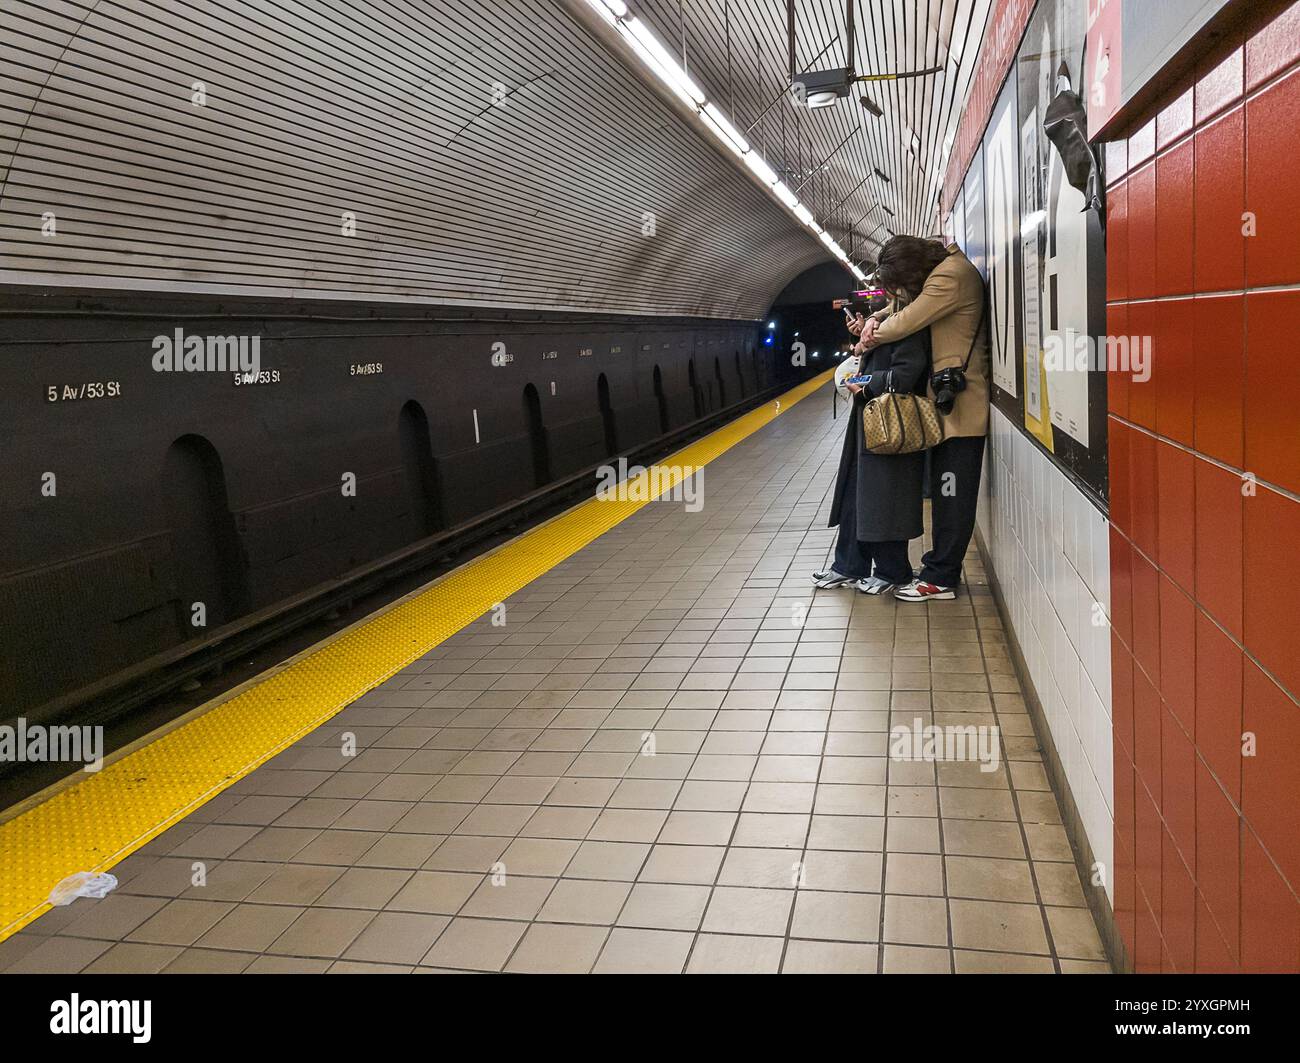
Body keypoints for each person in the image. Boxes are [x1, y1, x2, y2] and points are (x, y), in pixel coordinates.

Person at [851, 234, 989, 602]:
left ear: (914, 270)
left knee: (954, 497)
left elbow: (907, 319)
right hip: (946, 405)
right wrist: (875, 317)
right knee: (945, 495)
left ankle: (941, 577)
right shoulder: (940, 272)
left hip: (962, 407)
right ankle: (937, 570)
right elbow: (904, 305)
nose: (899, 291)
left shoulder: (950, 276)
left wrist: (870, 336)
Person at [812, 327, 932, 595]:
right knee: (855, 493)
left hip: (891, 423)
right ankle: (849, 564)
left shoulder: (908, 326)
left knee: (884, 495)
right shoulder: (887, 323)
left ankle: (893, 570)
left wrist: (866, 386)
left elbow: (904, 376)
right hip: (870, 420)